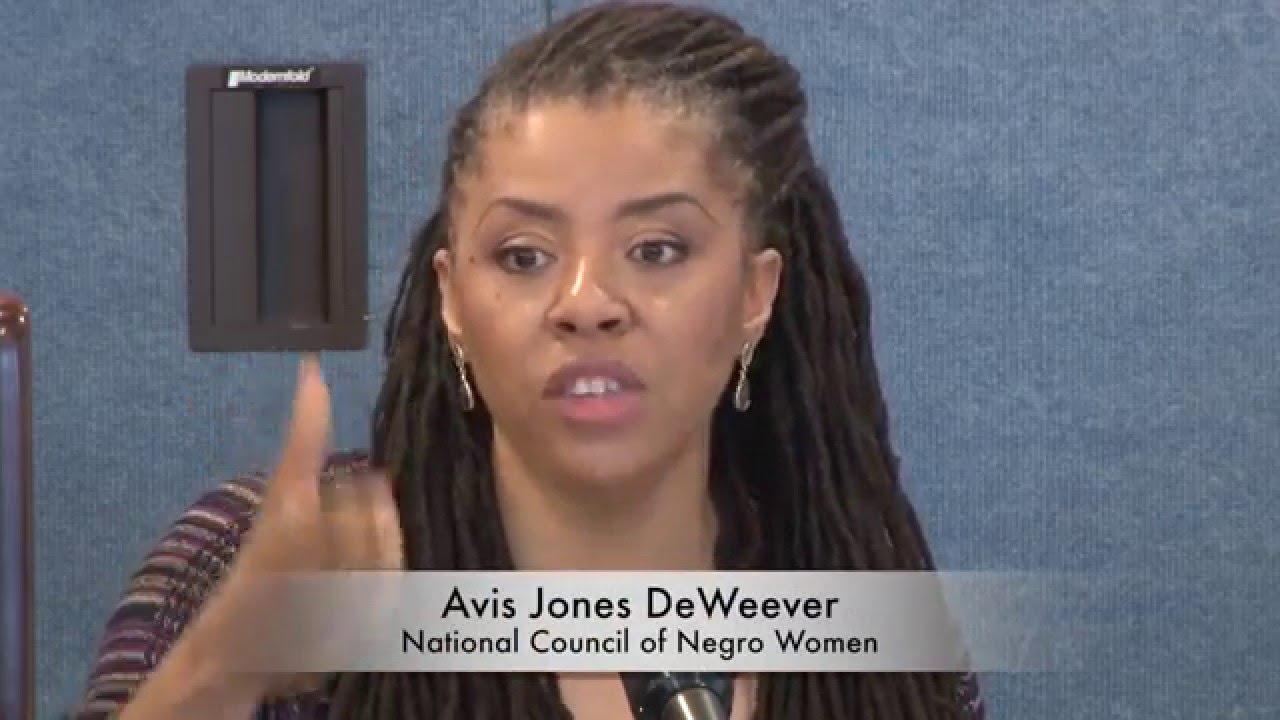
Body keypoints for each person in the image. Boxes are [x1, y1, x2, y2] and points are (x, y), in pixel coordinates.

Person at [74, 3, 986, 718]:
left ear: (756, 294)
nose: (586, 302)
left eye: (657, 249)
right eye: (524, 256)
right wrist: (225, 666)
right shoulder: (253, 565)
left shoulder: (864, 622)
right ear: (451, 301)